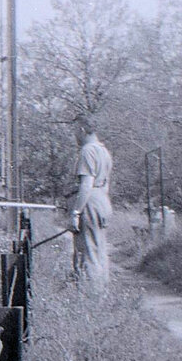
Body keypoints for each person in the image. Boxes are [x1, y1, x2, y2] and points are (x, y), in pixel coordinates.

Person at [68, 114, 113, 286]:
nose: (75, 136)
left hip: (90, 202)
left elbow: (86, 185)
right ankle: (101, 291)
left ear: (81, 129)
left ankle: (90, 295)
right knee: (99, 250)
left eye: (75, 131)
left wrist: (76, 212)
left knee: (87, 252)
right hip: (102, 200)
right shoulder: (103, 151)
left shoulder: (87, 151)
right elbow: (106, 183)